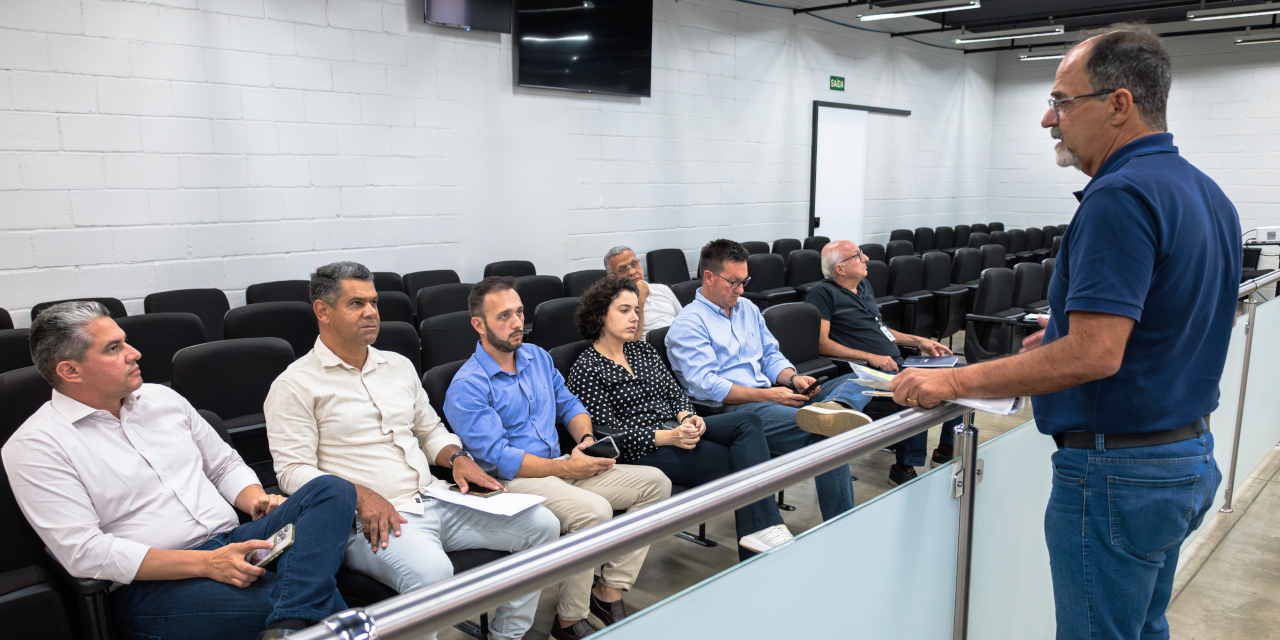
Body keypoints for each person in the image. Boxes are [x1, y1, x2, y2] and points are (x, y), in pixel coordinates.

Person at [888, 25, 1238, 640]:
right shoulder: (1206, 193)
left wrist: (954, 381)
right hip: (1184, 458)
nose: (1049, 120)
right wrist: (1071, 324)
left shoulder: (1119, 196)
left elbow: (1097, 354)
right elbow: (1175, 309)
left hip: (1119, 474)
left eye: (1062, 101)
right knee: (1140, 628)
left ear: (1119, 104)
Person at [3, 302, 357, 640]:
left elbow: (223, 466)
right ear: (70, 370)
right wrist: (206, 564)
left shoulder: (163, 400)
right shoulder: (36, 446)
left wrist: (256, 500)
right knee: (315, 601)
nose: (134, 353)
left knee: (332, 490)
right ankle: (297, 614)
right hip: (154, 588)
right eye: (113, 348)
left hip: (235, 541)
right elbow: (85, 553)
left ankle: (290, 620)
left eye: (125, 341)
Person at [264, 262, 560, 640]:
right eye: (356, 304)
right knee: (433, 573)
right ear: (323, 311)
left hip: (435, 497)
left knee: (544, 526)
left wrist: (457, 458)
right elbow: (292, 471)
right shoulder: (294, 385)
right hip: (371, 518)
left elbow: (430, 430)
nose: (371, 312)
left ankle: (507, 636)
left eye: (373, 302)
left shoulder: (399, 367)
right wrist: (359, 495)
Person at [445, 277, 672, 640]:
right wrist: (567, 466)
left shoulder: (537, 357)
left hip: (563, 465)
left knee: (656, 484)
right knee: (593, 513)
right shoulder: (467, 385)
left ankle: (609, 590)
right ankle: (568, 619)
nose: (517, 322)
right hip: (515, 483)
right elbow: (500, 459)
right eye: (504, 316)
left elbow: (570, 405)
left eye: (519, 312)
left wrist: (584, 439)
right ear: (479, 324)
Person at [565, 276, 793, 560]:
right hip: (644, 450)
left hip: (676, 430)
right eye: (624, 310)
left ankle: (761, 532)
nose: (635, 317)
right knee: (740, 462)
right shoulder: (587, 368)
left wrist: (688, 417)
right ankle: (761, 538)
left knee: (748, 422)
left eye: (636, 310)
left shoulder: (642, 350)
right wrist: (669, 436)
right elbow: (608, 435)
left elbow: (676, 395)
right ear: (599, 315)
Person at [665, 239, 870, 522]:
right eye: (733, 282)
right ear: (708, 277)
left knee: (863, 379)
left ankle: (836, 406)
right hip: (733, 410)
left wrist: (794, 378)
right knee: (826, 436)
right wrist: (771, 395)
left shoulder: (746, 309)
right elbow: (709, 387)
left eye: (744, 281)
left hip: (769, 397)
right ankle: (843, 523)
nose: (741, 289)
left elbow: (771, 357)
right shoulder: (689, 324)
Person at [809, 240, 965, 484]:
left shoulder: (863, 286)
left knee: (962, 374)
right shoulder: (822, 293)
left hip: (897, 362)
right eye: (858, 256)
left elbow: (881, 329)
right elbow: (822, 344)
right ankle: (904, 467)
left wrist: (918, 341)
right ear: (840, 268)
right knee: (918, 390)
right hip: (868, 369)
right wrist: (871, 357)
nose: (866, 258)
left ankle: (946, 450)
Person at [603, 245, 682, 339]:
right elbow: (632, 342)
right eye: (622, 270)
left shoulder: (663, 289)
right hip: (649, 351)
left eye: (634, 264)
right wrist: (640, 298)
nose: (632, 272)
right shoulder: (614, 304)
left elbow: (685, 322)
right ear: (611, 278)